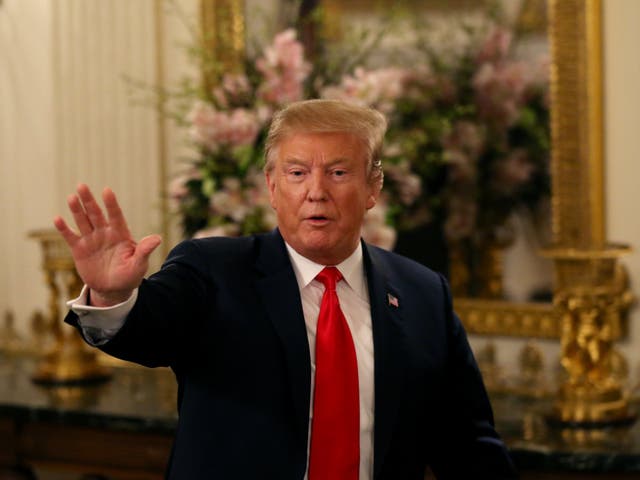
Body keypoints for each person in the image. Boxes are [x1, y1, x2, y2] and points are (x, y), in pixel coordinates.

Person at [55, 99, 517, 479]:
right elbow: (148, 329)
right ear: (272, 187)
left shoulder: (422, 294)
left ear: (373, 187)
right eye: (297, 173)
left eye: (338, 173)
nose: (316, 192)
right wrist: (112, 297)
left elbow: (468, 443)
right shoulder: (214, 271)